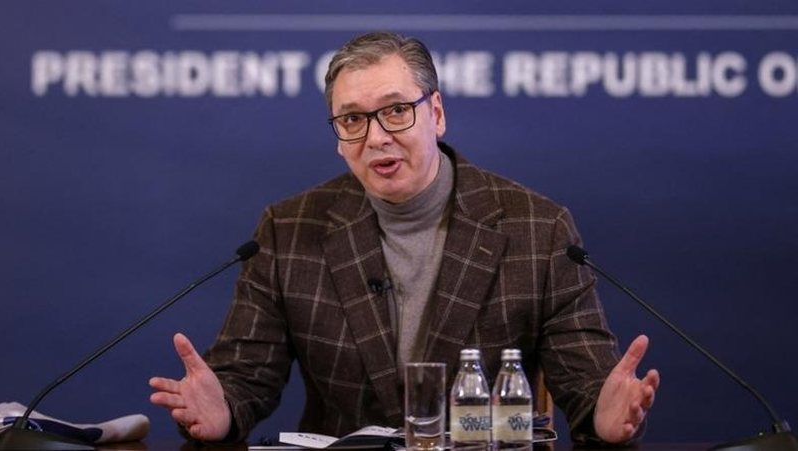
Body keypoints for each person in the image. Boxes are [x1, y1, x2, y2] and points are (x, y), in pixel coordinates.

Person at [149, 31, 660, 445]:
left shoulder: (537, 229)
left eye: (396, 110)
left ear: (435, 114)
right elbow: (245, 378)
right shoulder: (288, 229)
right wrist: (223, 412)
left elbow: (587, 382)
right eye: (353, 119)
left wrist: (603, 415)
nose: (376, 137)